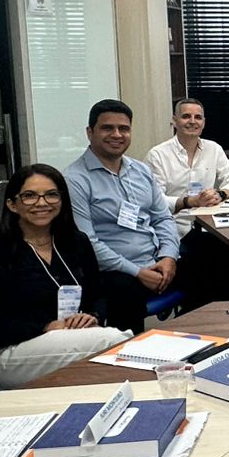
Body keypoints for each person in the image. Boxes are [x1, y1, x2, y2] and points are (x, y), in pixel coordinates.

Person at [0, 164, 124, 388]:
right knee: (114, 341)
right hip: (14, 353)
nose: (42, 203)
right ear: (12, 204)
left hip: (76, 339)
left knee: (106, 361)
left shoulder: (77, 243)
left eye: (51, 194)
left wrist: (92, 315)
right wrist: (44, 327)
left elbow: (99, 293)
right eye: (29, 196)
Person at [64, 99, 183, 332]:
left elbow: (162, 218)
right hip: (115, 271)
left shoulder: (141, 170)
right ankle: (130, 350)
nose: (117, 135)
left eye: (124, 128)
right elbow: (88, 243)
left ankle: (193, 339)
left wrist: (168, 257)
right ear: (90, 132)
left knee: (211, 260)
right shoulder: (74, 179)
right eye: (107, 128)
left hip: (156, 261)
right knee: (121, 290)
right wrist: (138, 272)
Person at [147, 97, 229, 305]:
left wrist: (221, 194)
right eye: (186, 116)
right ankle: (199, 309)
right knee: (205, 263)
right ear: (174, 121)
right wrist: (189, 201)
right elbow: (155, 201)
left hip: (210, 228)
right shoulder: (158, 155)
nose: (192, 121)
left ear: (204, 122)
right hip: (175, 230)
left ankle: (211, 307)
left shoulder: (213, 149)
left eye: (198, 117)